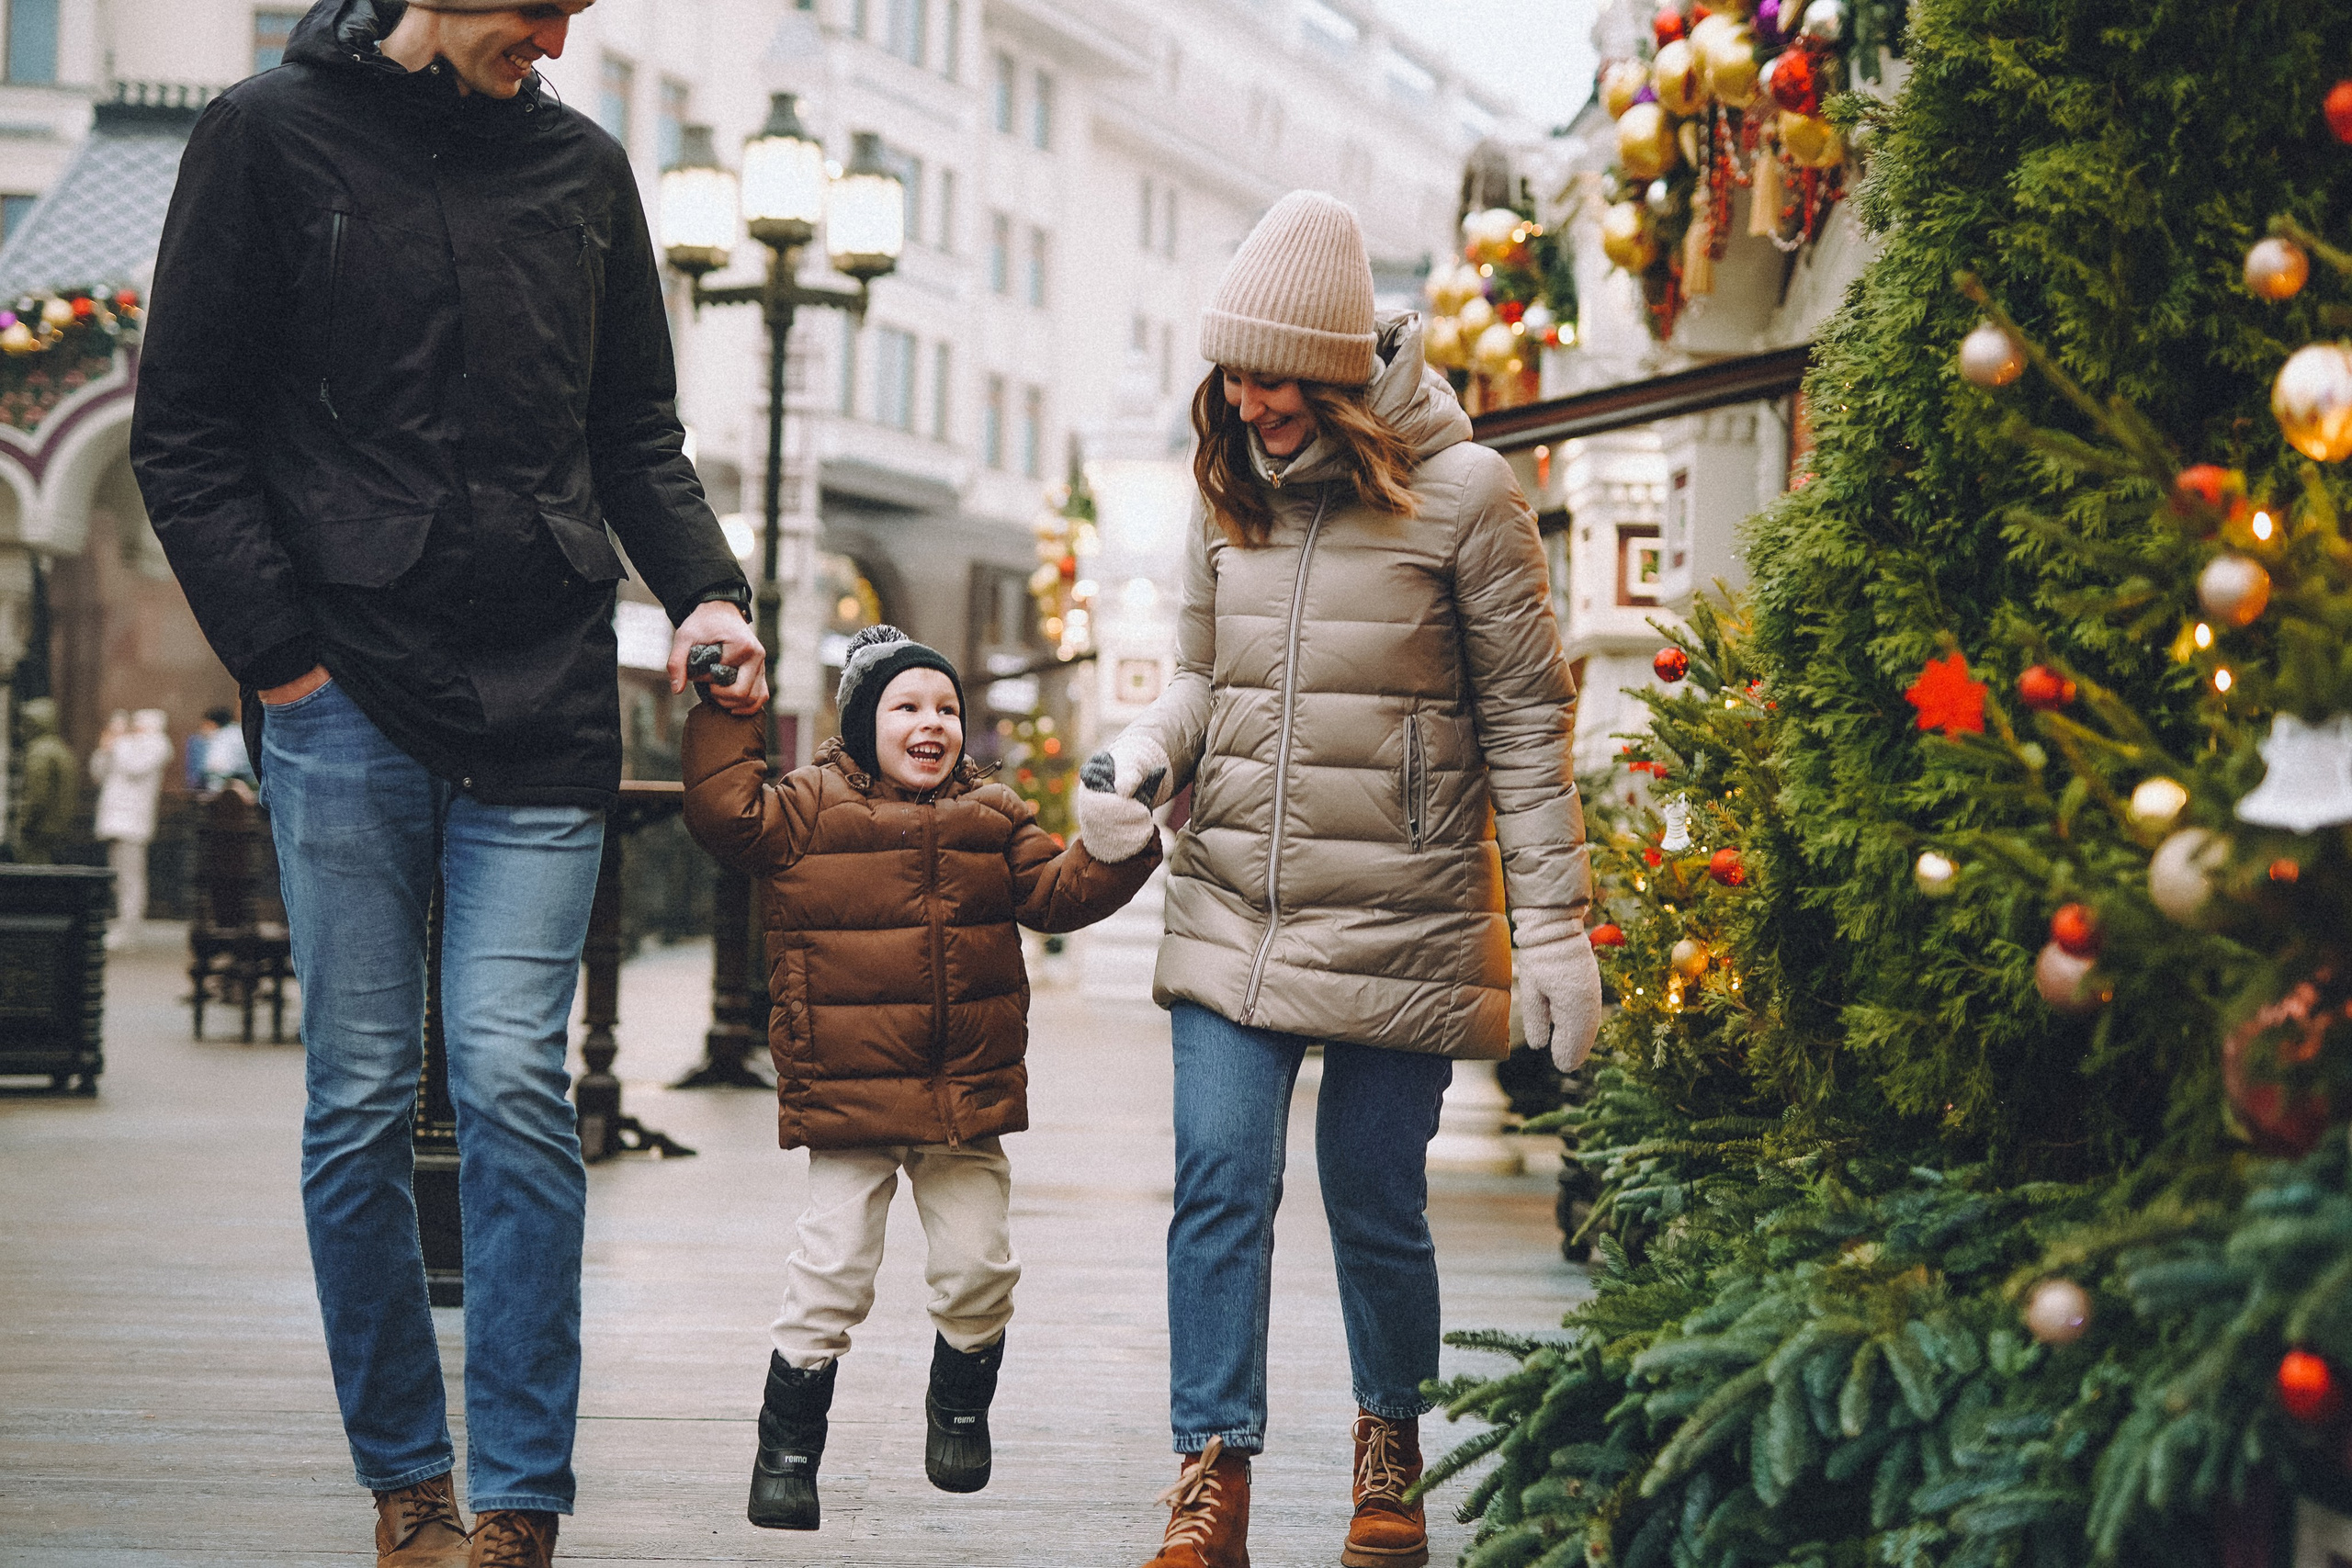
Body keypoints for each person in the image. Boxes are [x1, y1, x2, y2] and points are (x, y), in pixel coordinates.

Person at [129, 4, 765, 1565]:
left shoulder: (584, 168)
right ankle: (408, 1482)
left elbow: (634, 431)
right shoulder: (264, 137)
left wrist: (708, 591)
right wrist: (282, 662)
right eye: (535, 7)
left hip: (541, 697)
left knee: (508, 1081)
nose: (551, 37)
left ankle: (521, 1500)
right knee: (356, 1099)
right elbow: (184, 432)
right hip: (339, 696)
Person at [1077, 190, 1603, 1568]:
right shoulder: (1224, 490)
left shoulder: (1471, 497)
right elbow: (1202, 676)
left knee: (1375, 1195)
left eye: (1276, 375)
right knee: (1218, 1178)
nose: (1252, 402)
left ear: (1339, 368)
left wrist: (1551, 926)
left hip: (1405, 912)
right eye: (1235, 375)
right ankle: (1212, 1468)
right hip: (1237, 894)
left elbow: (1530, 726)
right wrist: (1141, 752)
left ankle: (1389, 1443)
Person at [680, 625, 1160, 1533]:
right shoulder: (806, 809)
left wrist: (1118, 841)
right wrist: (726, 711)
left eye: (946, 708)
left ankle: (959, 1402)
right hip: (851, 1101)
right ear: (863, 724)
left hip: (960, 1102)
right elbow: (723, 813)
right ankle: (786, 1451)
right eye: (907, 707)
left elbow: (1058, 894)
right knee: (828, 1274)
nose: (931, 722)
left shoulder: (994, 817)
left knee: (979, 1267)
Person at [91, 708, 174, 946]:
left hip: (132, 823)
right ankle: (122, 922)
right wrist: (105, 748)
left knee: (130, 878)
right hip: (116, 821)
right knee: (119, 878)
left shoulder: (157, 744)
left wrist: (117, 742)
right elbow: (99, 773)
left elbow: (133, 767)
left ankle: (130, 927)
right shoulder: (127, 745)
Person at [16, 697, 79, 865]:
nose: (22, 729)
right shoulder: (61, 749)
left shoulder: (40, 752)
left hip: (39, 830)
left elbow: (36, 794)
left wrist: (24, 823)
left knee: (33, 877)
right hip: (57, 829)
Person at [186, 707, 229, 794]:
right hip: (199, 785)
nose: (204, 727)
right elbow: (193, 767)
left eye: (208, 724)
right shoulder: (196, 741)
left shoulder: (226, 742)